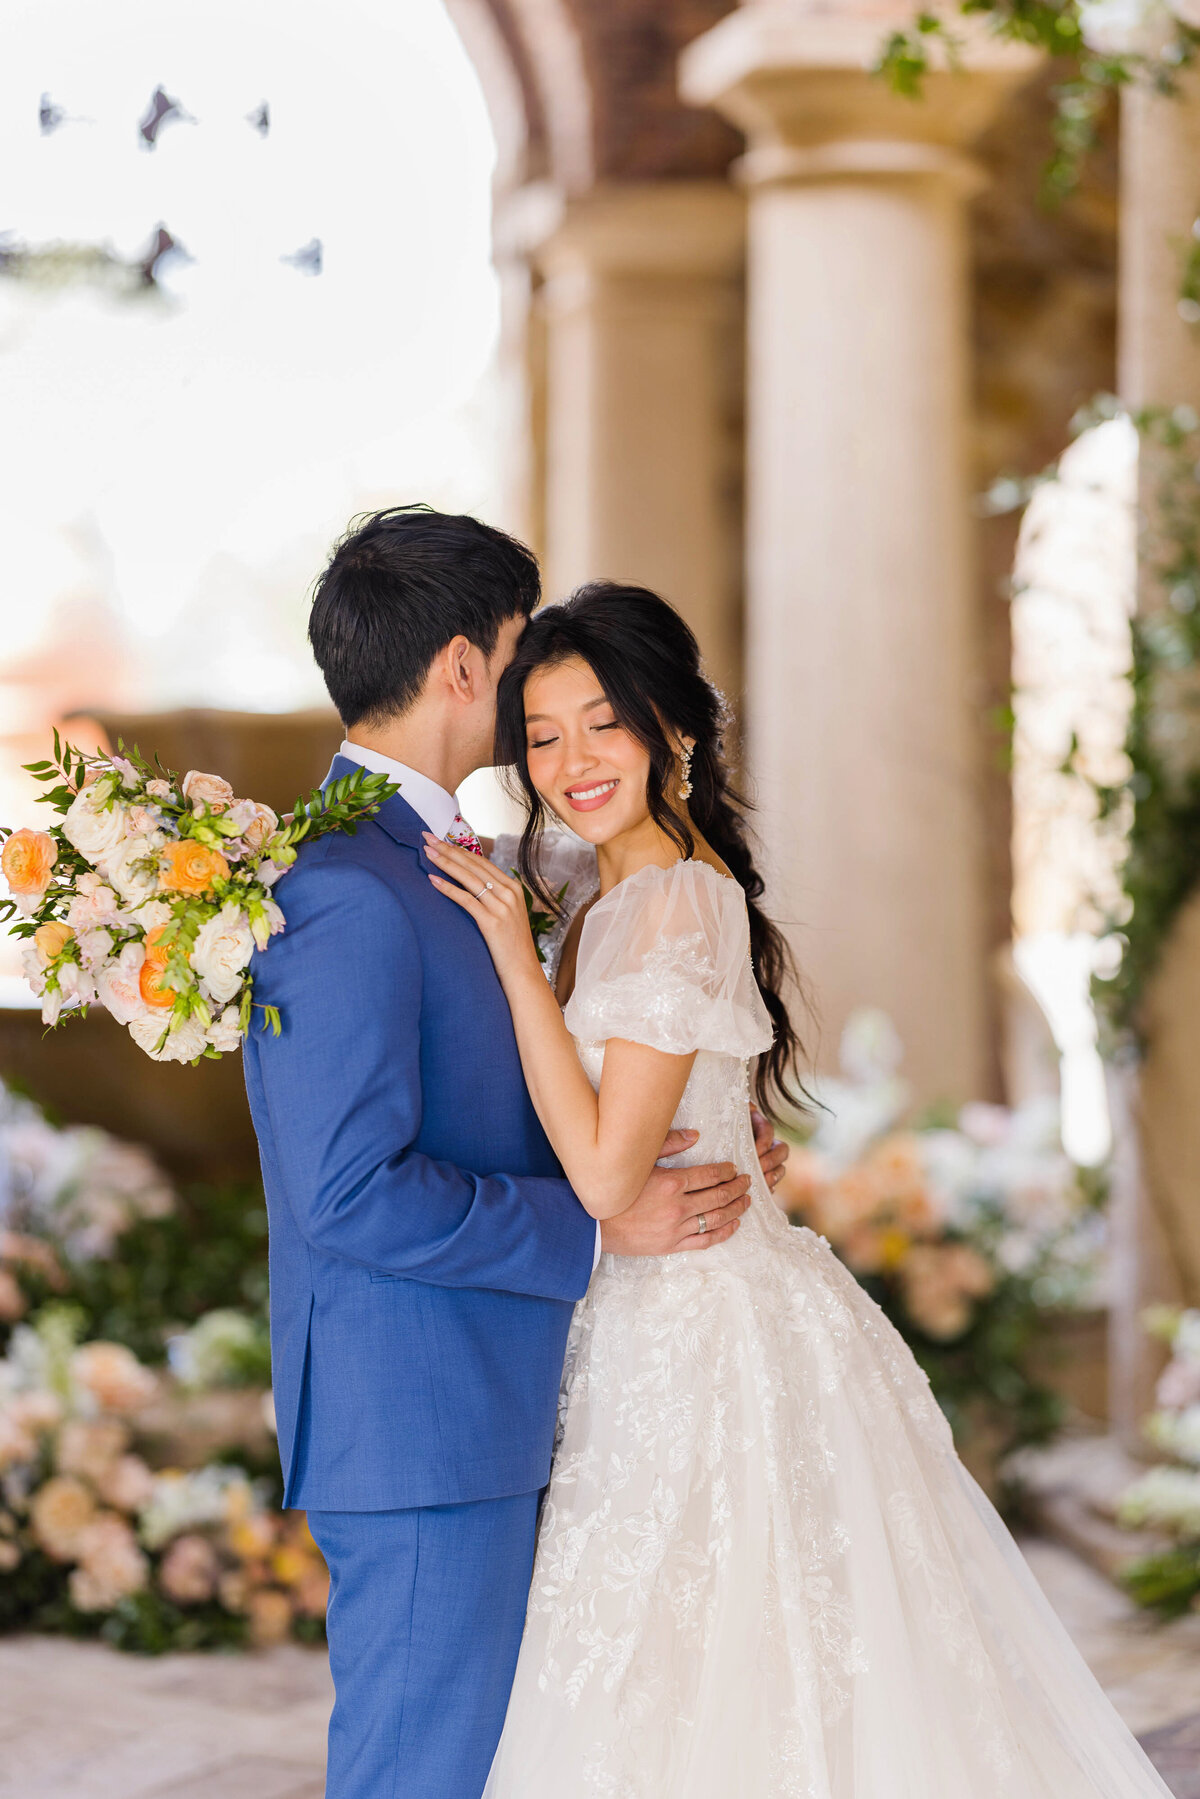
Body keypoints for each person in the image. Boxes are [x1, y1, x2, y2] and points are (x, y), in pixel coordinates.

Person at [425, 581, 1175, 1799]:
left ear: (672, 723)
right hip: (661, 1309)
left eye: (602, 722)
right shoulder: (612, 887)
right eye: (544, 735)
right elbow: (657, 1103)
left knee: (724, 1674)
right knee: (670, 1673)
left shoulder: (669, 898)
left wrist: (515, 957)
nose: (571, 762)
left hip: (702, 1337)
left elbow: (611, 1171)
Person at [241, 506, 788, 1799]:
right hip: (424, 1413)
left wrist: (701, 1126)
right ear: (464, 668)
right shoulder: (343, 883)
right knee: (419, 1769)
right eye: (520, 653)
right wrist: (604, 1219)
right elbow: (346, 1189)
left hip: (511, 1393)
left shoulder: (453, 855)